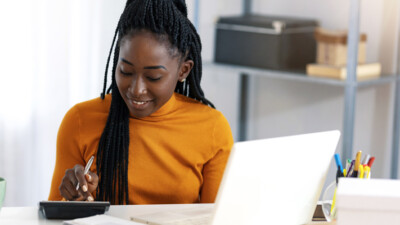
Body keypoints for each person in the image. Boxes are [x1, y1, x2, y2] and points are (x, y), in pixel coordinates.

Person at [48, 0, 233, 205]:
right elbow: (55, 215)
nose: (136, 90)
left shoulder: (212, 128)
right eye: (126, 71)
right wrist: (74, 198)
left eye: (153, 77)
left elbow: (219, 218)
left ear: (183, 70)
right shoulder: (80, 120)